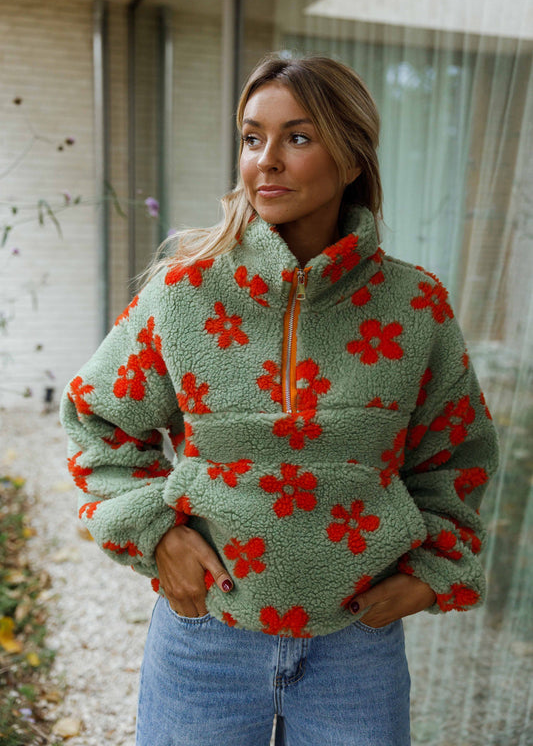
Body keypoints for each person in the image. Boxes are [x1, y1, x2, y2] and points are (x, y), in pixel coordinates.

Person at [59, 54, 499, 746]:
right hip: (207, 636)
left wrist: (433, 571)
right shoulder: (185, 293)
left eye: (297, 137)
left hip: (356, 645)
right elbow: (97, 420)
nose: (265, 160)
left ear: (351, 158)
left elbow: (457, 452)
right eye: (251, 137)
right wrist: (156, 533)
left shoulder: (414, 305)